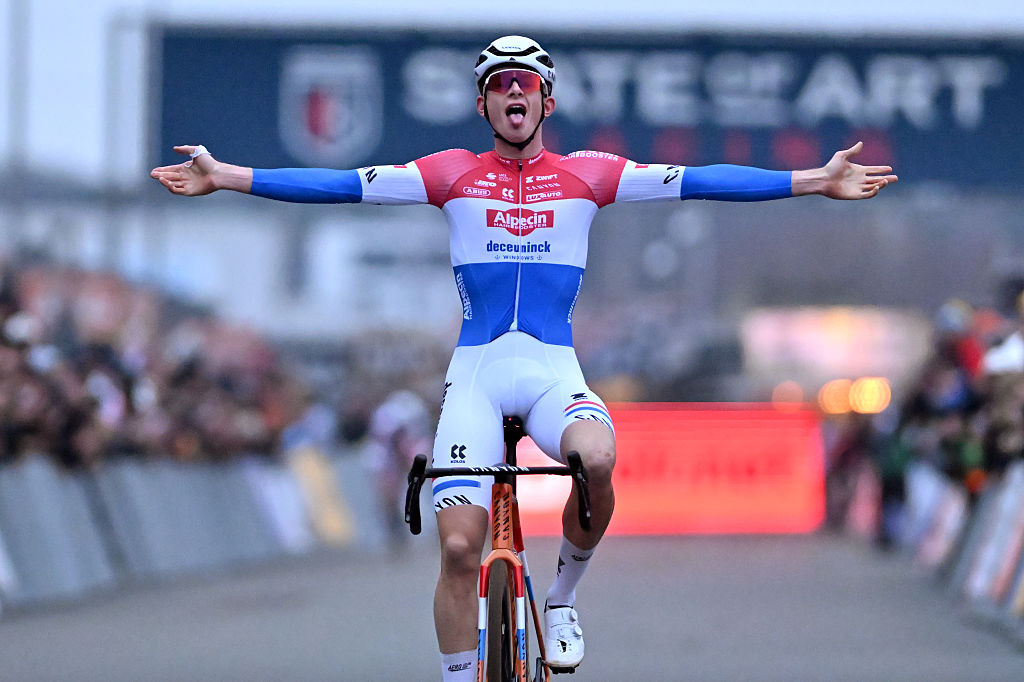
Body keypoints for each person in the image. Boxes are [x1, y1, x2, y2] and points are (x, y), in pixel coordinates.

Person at [151, 34, 898, 680]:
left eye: (527, 84)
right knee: (458, 549)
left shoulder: (591, 175)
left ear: (546, 101)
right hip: (476, 376)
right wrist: (227, 176)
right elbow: (339, 186)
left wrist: (814, 180)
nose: (514, 93)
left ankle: (563, 600)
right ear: (484, 105)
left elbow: (703, 180)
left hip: (550, 373)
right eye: (500, 85)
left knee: (597, 460)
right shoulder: (448, 173)